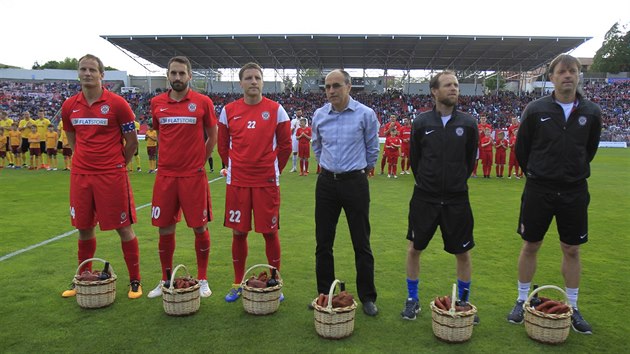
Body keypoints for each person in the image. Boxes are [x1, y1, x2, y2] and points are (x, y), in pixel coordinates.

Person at [507, 54, 602, 335]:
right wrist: (539, 172)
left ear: (578, 75)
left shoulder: (591, 112)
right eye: (562, 72)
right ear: (552, 77)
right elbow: (522, 150)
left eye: (572, 71)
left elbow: (590, 150)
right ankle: (522, 299)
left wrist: (571, 170)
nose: (568, 76)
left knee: (572, 249)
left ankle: (572, 307)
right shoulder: (535, 110)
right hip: (539, 188)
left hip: (574, 190)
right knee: (530, 244)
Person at [60, 54, 143, 299]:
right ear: (79, 73)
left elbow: (130, 142)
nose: (87, 74)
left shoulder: (118, 104)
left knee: (123, 228)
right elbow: (72, 137)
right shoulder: (69, 106)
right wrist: (83, 160)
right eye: (83, 69)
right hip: (81, 175)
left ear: (101, 74)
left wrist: (118, 163)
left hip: (111, 175)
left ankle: (135, 281)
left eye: (92, 70)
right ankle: (82, 278)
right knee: (84, 228)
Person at [401, 71, 479, 321]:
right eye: (448, 85)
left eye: (456, 85)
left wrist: (455, 182)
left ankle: (464, 301)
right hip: (425, 197)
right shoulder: (422, 123)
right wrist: (429, 181)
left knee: (463, 252)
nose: (454, 89)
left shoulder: (468, 123)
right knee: (414, 248)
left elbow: (469, 162)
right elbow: (415, 160)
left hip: (457, 199)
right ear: (434, 91)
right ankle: (412, 299)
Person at [217, 62, 292, 303]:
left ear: (262, 81)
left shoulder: (277, 109)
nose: (253, 81)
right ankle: (237, 282)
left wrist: (273, 171)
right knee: (239, 233)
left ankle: (274, 282)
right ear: (241, 83)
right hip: (238, 181)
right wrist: (232, 168)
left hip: (266, 182)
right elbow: (222, 145)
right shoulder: (228, 111)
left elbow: (285, 146)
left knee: (270, 233)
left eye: (257, 77)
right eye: (248, 78)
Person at [146, 56, 217, 299]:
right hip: (165, 176)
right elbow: (159, 130)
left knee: (199, 226)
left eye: (181, 73)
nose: (177, 77)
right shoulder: (156, 103)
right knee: (164, 229)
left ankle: (203, 278)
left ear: (189, 76)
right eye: (173, 73)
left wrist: (199, 161)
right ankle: (166, 279)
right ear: (168, 75)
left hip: (192, 176)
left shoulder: (202, 102)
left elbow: (212, 135)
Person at [311, 69, 380, 316]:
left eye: (336, 86)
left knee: (361, 242)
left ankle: (368, 297)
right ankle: (324, 294)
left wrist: (358, 170)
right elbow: (317, 147)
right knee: (323, 243)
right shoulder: (319, 115)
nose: (331, 91)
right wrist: (331, 168)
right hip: (327, 183)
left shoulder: (366, 114)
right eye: (327, 86)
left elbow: (372, 149)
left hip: (355, 183)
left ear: (349, 87)